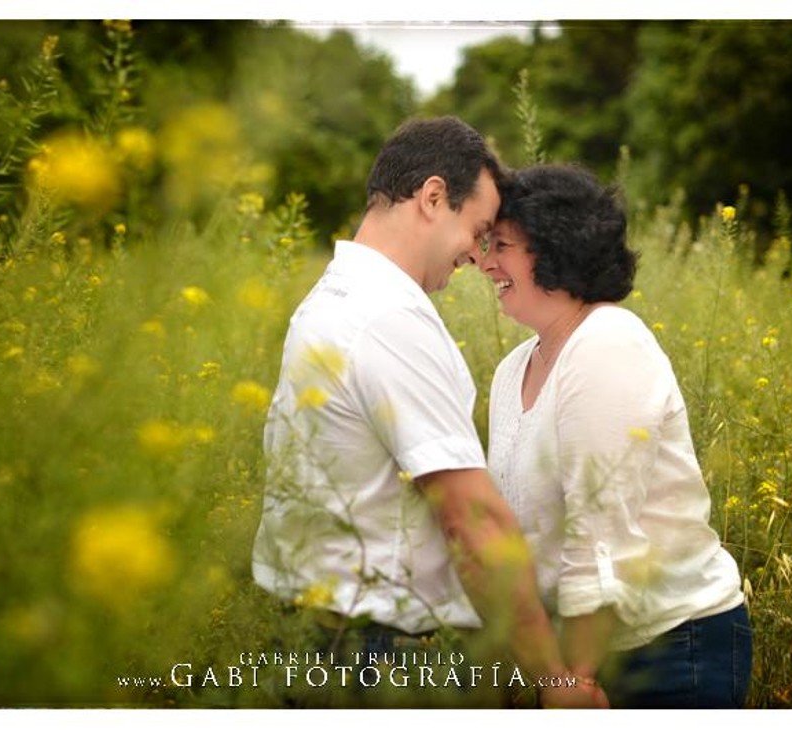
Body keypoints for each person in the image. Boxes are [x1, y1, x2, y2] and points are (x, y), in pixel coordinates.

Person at [251, 117, 606, 707]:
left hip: (314, 634)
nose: (478, 254)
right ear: (433, 197)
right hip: (360, 650)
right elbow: (473, 522)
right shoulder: (388, 318)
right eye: (480, 229)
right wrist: (553, 680)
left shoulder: (332, 296)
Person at [471, 163, 753, 708]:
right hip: (577, 652)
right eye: (485, 245)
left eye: (501, 245)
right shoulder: (512, 370)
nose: (485, 263)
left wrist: (569, 681)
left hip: (672, 649)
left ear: (554, 249)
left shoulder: (607, 342)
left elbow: (598, 536)